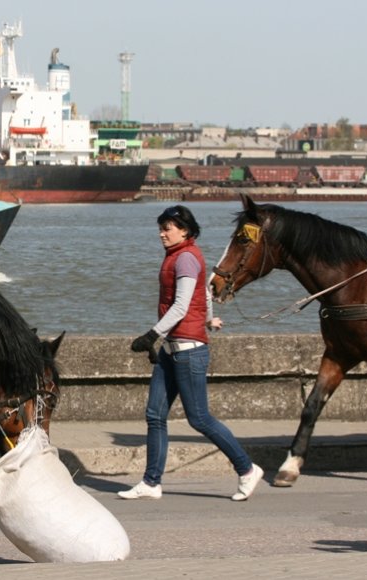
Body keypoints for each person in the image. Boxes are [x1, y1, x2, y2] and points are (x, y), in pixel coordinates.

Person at [119, 205, 263, 502]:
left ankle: (247, 469)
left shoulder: (185, 258)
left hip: (188, 351)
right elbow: (205, 293)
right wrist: (209, 319)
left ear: (184, 230)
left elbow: (182, 305)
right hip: (172, 350)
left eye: (167, 228)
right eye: (160, 228)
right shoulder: (179, 255)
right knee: (155, 415)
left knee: (199, 418)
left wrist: (151, 335)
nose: (162, 233)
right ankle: (151, 482)